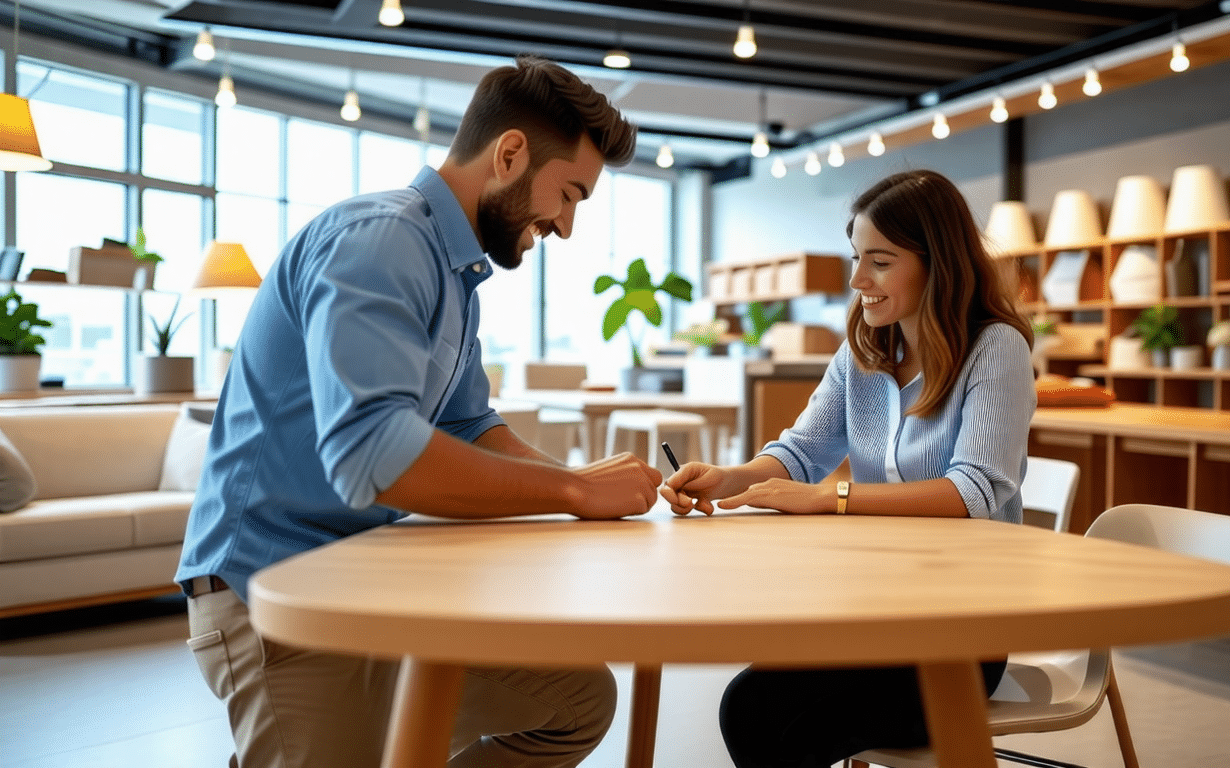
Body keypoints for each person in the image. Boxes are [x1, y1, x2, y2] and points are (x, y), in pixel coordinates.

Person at [176, 55, 662, 768]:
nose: (564, 225)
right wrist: (572, 490)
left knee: (575, 701)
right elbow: (372, 455)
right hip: (270, 594)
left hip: (358, 578)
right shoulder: (381, 241)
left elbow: (469, 425)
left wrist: (580, 486)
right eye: (569, 195)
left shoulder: (453, 272)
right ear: (510, 154)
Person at [660, 169, 1036, 768]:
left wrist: (830, 499)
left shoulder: (996, 349)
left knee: (786, 724)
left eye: (880, 262)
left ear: (937, 262)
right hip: (877, 611)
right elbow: (804, 450)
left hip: (962, 630)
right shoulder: (864, 348)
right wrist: (731, 477)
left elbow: (976, 491)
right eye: (857, 258)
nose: (859, 280)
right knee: (749, 708)